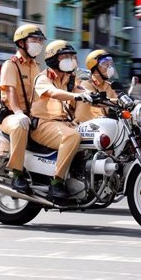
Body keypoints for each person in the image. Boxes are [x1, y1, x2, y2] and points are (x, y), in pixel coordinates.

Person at [30, 40, 93, 200]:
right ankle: (56, 183)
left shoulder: (69, 79)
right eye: (65, 56)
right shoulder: (43, 78)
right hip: (42, 125)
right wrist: (76, 96)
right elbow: (53, 93)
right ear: (53, 60)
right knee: (72, 136)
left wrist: (119, 101)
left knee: (91, 135)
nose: (70, 60)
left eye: (72, 56)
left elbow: (85, 92)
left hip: (62, 123)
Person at [0, 24, 45, 194]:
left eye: (40, 40)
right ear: (22, 43)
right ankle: (17, 174)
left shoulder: (36, 66)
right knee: (20, 126)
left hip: (31, 114)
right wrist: (18, 113)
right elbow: (10, 92)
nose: (38, 44)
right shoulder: (11, 65)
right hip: (10, 115)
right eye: (34, 40)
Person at [75, 49, 118, 123]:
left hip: (106, 124)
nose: (109, 67)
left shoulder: (109, 86)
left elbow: (117, 101)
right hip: (87, 126)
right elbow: (96, 101)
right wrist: (117, 102)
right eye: (105, 64)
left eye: (110, 64)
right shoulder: (86, 84)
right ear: (95, 68)